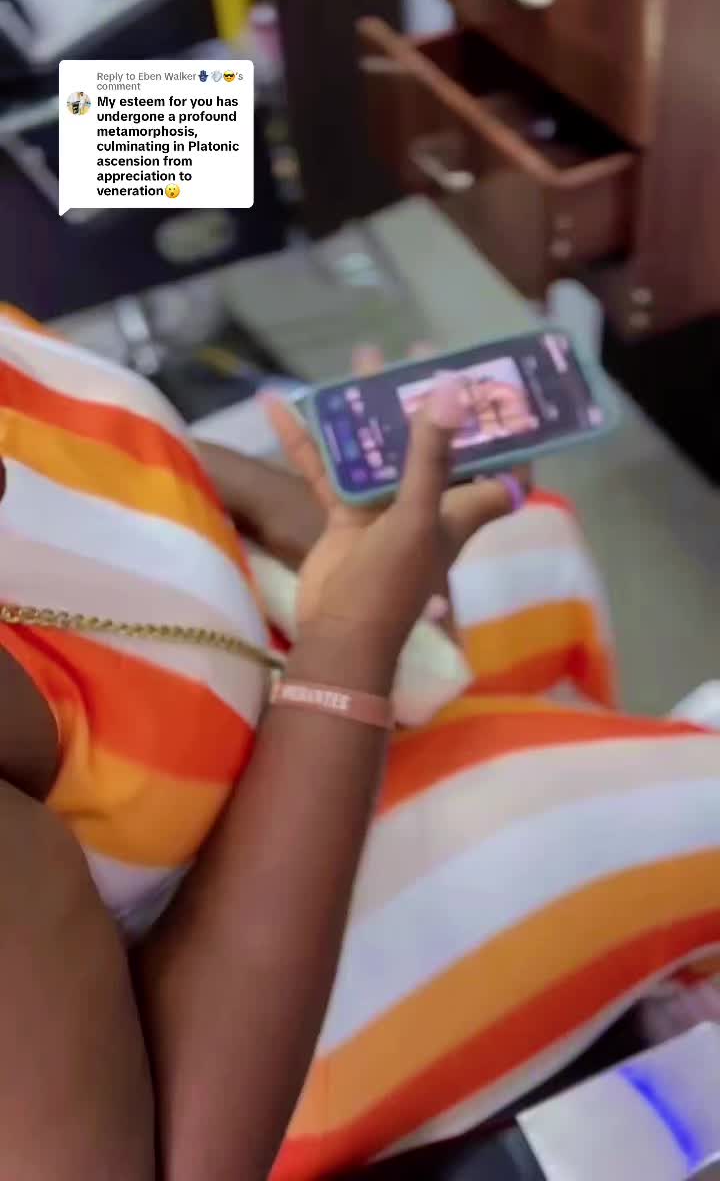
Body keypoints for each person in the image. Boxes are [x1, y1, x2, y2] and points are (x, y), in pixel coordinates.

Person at [1, 303, 720, 1181]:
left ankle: (654, 945)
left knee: (546, 542)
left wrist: (259, 496)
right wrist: (348, 648)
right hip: (231, 989)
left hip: (254, 644)